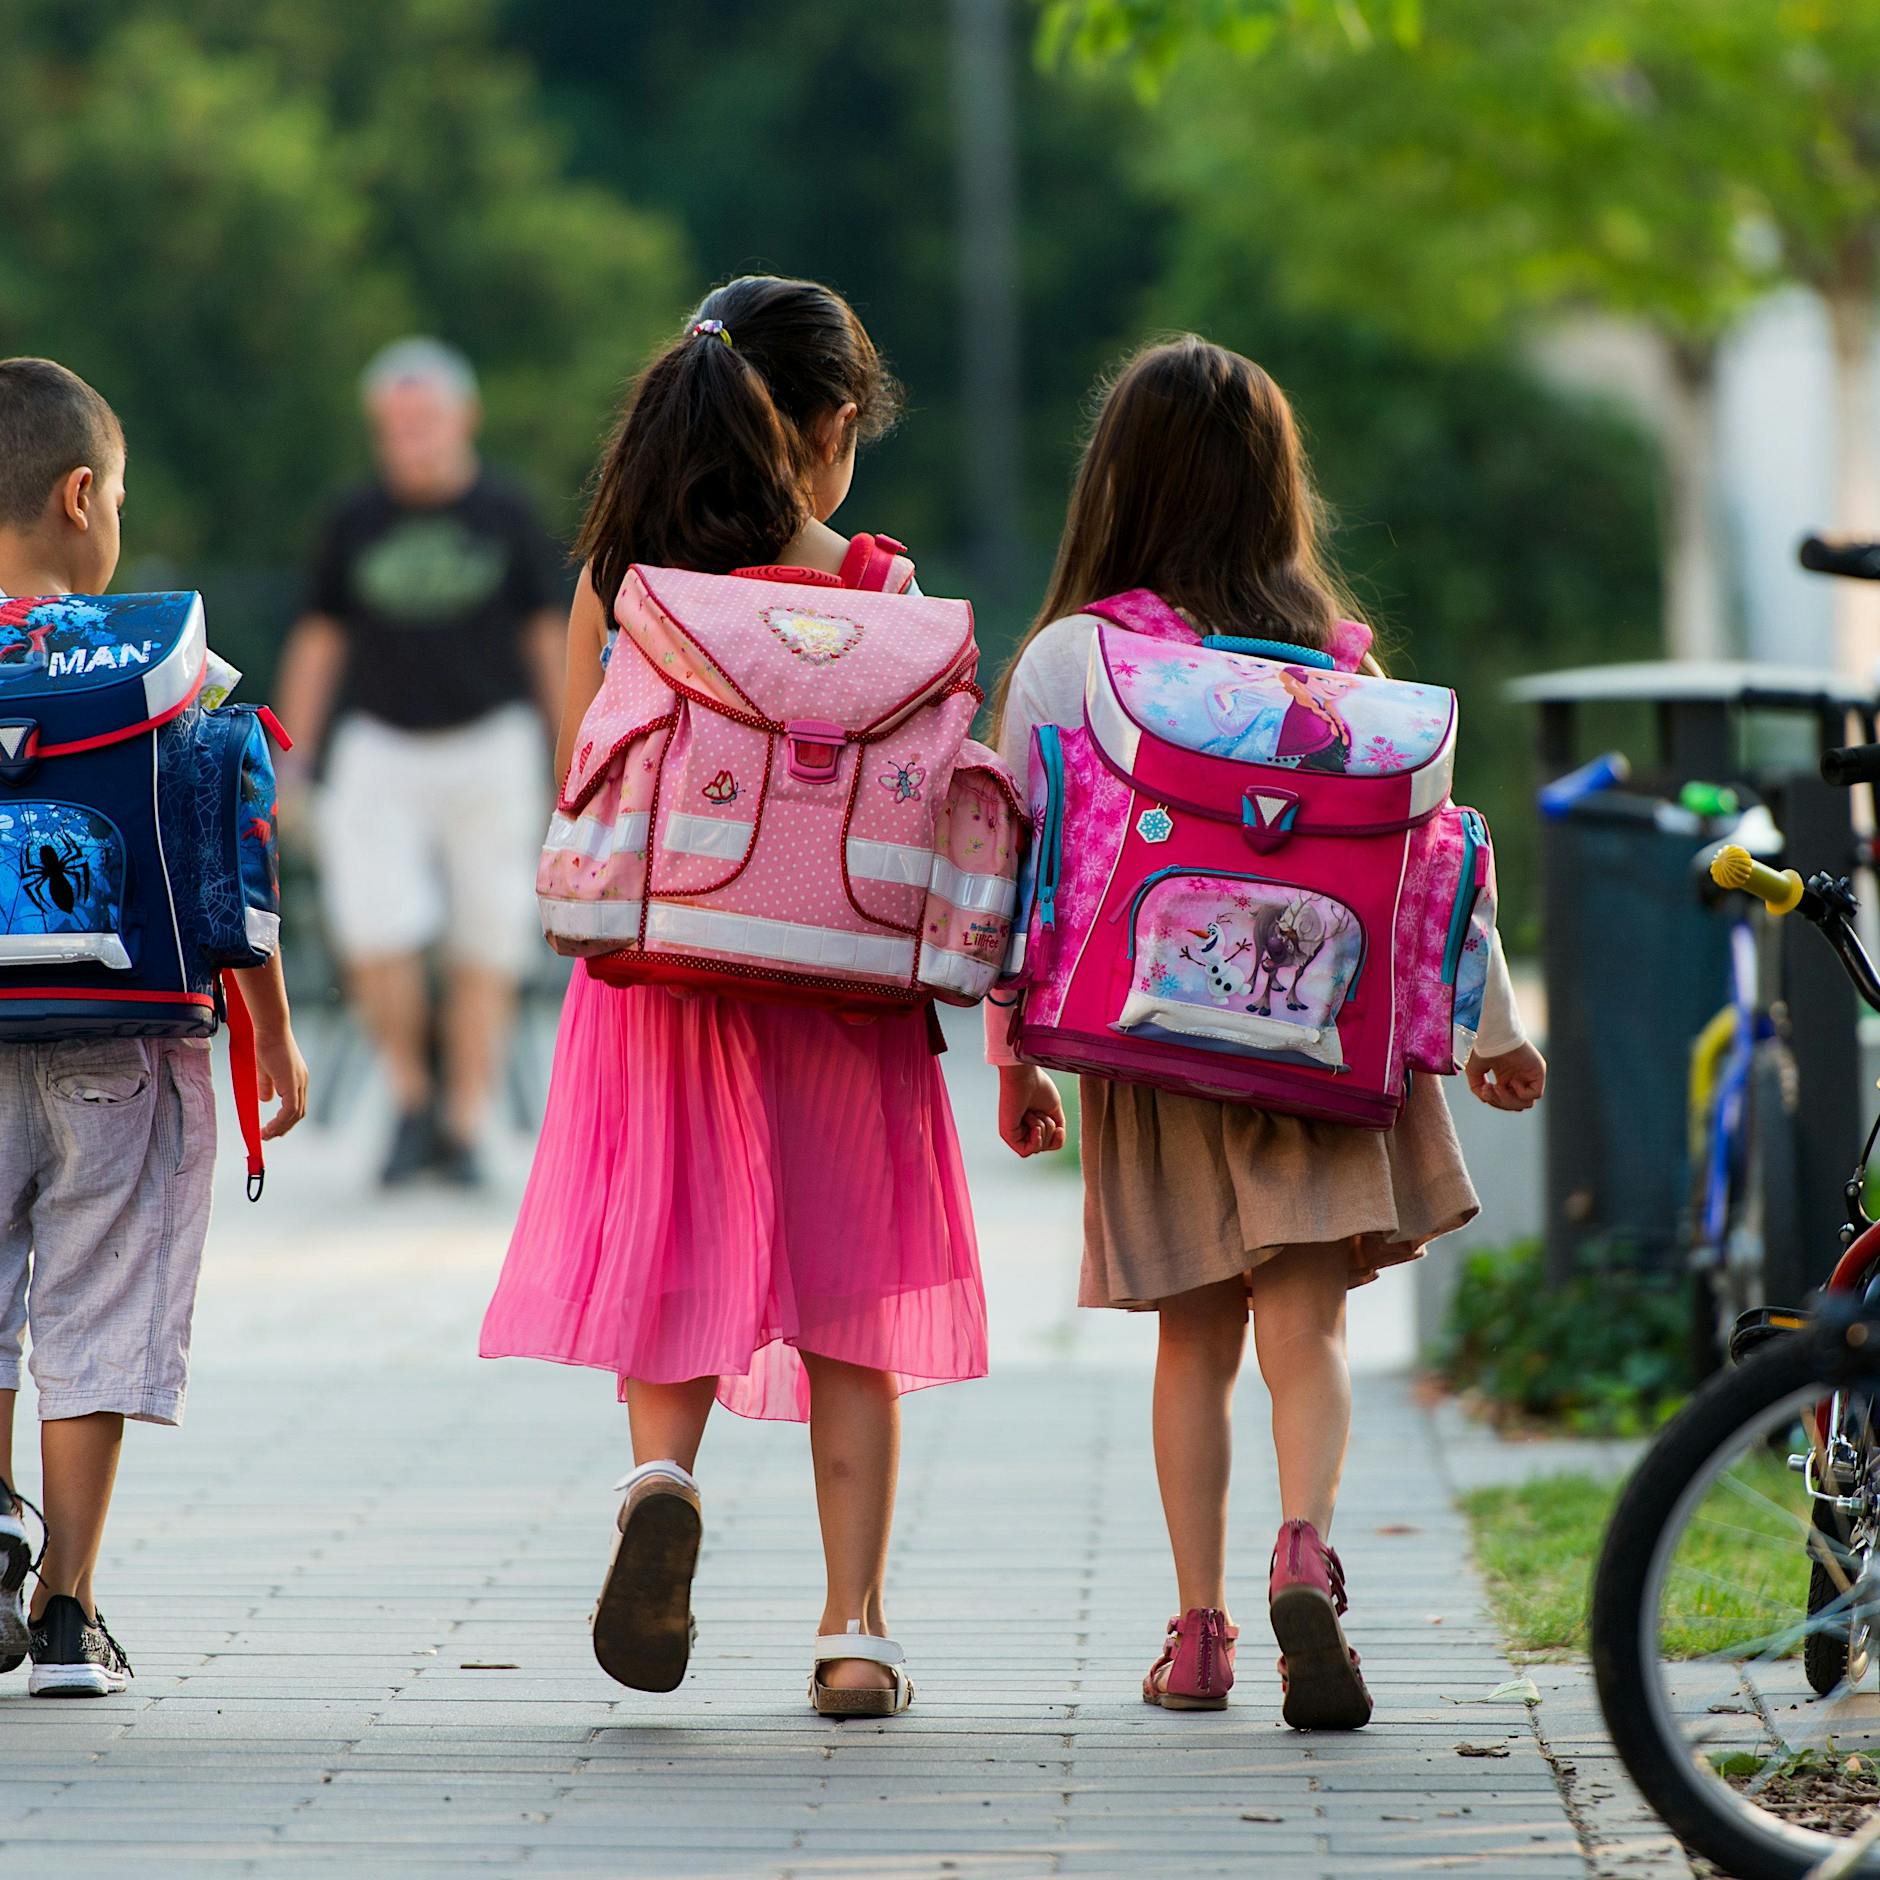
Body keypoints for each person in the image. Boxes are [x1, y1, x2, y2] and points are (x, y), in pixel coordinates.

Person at [988, 336, 1546, 1728]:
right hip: (1317, 1041)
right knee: (1309, 1333)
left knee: (1193, 1345)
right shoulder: (1340, 676)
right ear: (1275, 492)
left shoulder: (1074, 663)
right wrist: (1494, 1027)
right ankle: (1307, 1540)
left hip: (1151, 1039)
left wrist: (1015, 1054)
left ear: (1115, 485)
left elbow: (1016, 862)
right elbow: (1430, 869)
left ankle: (1197, 1635)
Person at [481, 277, 991, 1718]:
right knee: (854, 1307)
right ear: (831, 427)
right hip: (845, 992)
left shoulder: (621, 584)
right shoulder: (883, 593)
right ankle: (854, 1632)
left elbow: (586, 770)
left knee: (672, 1256)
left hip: (664, 984)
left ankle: (662, 1480)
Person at [0, 357, 309, 1696]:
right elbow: (229, 850)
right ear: (80, 497)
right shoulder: (158, 660)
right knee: (96, 1305)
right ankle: (67, 1612)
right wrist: (273, 1042)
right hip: (121, 1034)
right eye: (114, 493)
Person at [276, 338, 563, 1188]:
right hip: (381, 743)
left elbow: (548, 639)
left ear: (461, 418)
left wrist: (570, 754)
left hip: (492, 741)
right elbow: (319, 639)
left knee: (489, 933)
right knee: (374, 929)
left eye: (423, 421)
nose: (409, 439)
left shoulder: (508, 513)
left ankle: (466, 1118)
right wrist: (294, 760)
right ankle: (409, 1097)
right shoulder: (353, 519)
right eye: (393, 426)